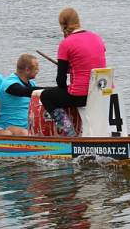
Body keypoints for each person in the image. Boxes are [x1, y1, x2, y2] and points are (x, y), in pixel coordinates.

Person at [39, 7, 106, 137]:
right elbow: (92, 61)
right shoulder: (97, 38)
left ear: (63, 24)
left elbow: (61, 80)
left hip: (81, 95)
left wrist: (66, 82)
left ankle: (69, 131)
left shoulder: (66, 43)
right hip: (102, 92)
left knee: (46, 96)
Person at [0, 54, 42, 136]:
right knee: (24, 133)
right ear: (27, 70)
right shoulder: (9, 83)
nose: (38, 71)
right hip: (8, 127)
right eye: (36, 69)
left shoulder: (32, 84)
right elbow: (23, 91)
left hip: (27, 127)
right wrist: (53, 90)